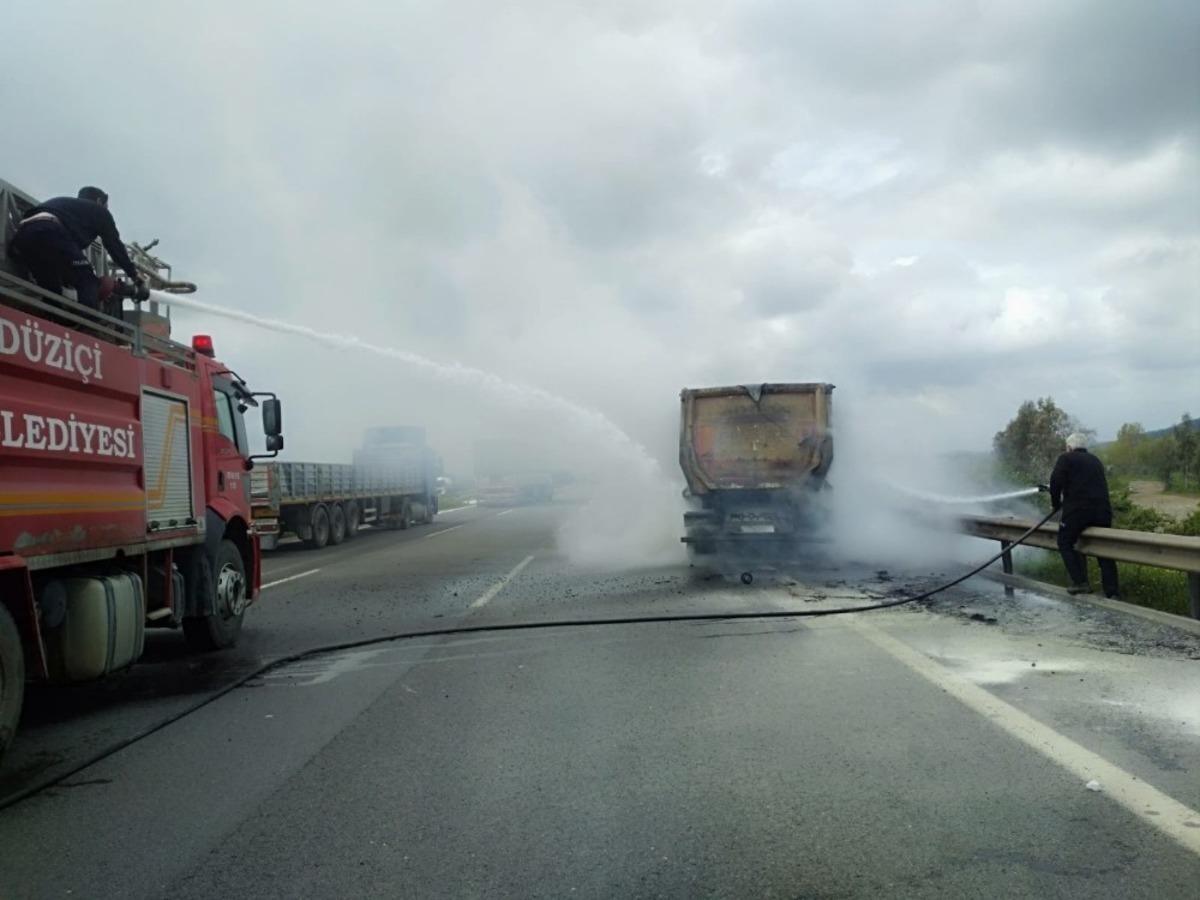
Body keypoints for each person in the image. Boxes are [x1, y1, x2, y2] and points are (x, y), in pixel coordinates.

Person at [8, 186, 145, 311]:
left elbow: (65, 258)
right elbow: (115, 247)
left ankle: (52, 319)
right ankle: (88, 326)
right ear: (99, 201)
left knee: (51, 287)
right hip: (51, 231)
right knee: (87, 279)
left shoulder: (65, 206)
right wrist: (135, 276)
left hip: (23, 237)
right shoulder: (99, 211)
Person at [1049, 432, 1118, 598]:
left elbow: (1055, 482)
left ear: (1069, 447)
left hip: (1078, 512)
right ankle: (1112, 591)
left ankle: (1080, 582)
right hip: (1102, 511)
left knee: (1064, 541)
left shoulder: (1066, 458)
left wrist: (1056, 504)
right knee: (1104, 550)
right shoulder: (1095, 460)